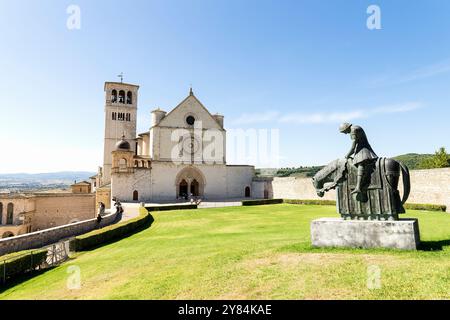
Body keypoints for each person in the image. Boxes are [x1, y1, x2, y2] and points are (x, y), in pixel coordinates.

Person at [339, 123, 378, 195]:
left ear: (346, 128)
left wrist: (347, 155)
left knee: (361, 163)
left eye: (344, 132)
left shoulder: (353, 130)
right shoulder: (354, 128)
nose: (345, 133)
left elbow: (353, 147)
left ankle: (358, 187)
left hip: (363, 149)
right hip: (360, 148)